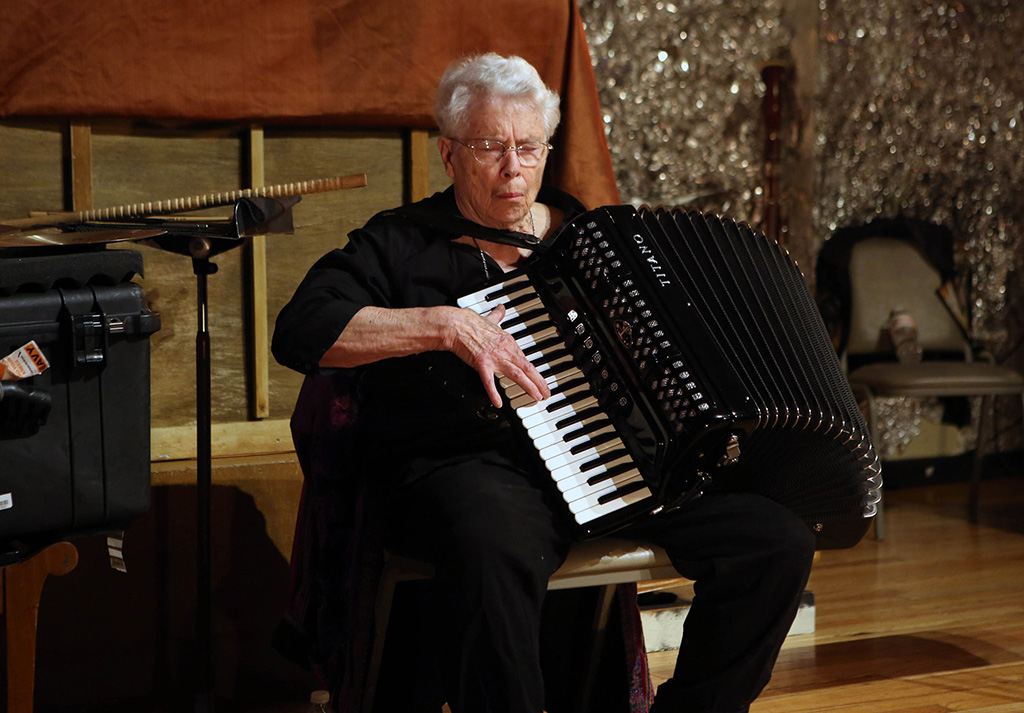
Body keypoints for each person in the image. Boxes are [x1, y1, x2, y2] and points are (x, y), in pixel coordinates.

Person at [273, 53, 815, 713]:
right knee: (490, 549)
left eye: (528, 147)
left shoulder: (586, 237)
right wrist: (444, 325)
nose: (513, 168)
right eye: (489, 147)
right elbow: (302, 330)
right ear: (448, 155)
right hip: (475, 466)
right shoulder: (401, 242)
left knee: (775, 540)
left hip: (608, 459)